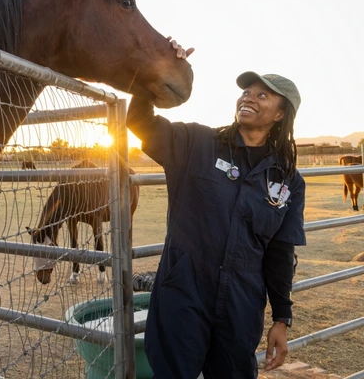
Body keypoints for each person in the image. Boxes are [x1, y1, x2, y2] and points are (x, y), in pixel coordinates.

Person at [127, 38, 305, 379]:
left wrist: (281, 319)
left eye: (262, 94)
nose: (249, 97)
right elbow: (139, 121)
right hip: (183, 292)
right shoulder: (196, 143)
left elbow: (280, 253)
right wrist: (160, 67)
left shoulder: (287, 181)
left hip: (241, 303)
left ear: (281, 114)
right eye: (246, 91)